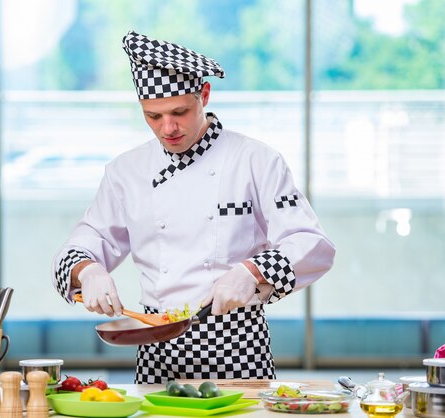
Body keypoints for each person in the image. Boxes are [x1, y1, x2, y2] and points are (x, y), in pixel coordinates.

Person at [52, 30, 335, 384]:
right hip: (156, 348)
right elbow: (85, 240)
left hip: (238, 347)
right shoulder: (126, 171)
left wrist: (250, 272)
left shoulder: (256, 160)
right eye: (153, 116)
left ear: (204, 95)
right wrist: (87, 271)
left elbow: (312, 243)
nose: (167, 128)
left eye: (179, 112)